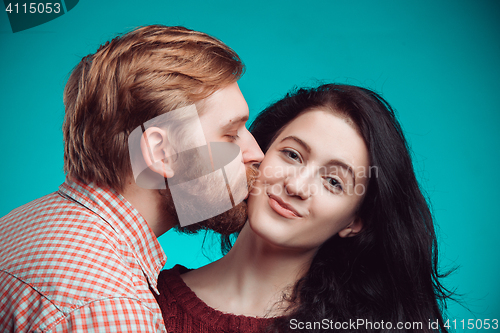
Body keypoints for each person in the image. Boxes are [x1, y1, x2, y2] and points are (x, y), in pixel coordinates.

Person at [0, 25, 263, 332]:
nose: (256, 152)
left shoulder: (24, 222)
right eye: (231, 135)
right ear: (161, 153)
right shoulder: (110, 306)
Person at [155, 84, 452, 332]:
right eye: (292, 154)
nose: (296, 186)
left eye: (334, 182)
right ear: (259, 153)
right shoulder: (138, 300)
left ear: (355, 221)